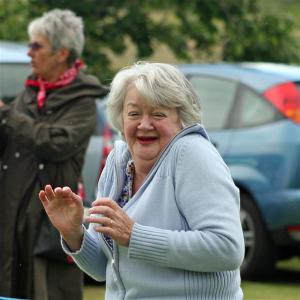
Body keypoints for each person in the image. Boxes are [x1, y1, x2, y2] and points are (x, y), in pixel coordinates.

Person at [39, 61, 245, 299]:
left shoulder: (192, 153)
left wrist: (135, 236)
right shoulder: (118, 161)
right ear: (120, 116)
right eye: (134, 113)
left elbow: (227, 249)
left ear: (181, 119)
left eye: (158, 114)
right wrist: (74, 233)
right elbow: (102, 270)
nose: (144, 125)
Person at [0, 9, 108, 300]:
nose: (29, 53)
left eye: (37, 45)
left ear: (61, 53)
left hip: (50, 221)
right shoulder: (30, 91)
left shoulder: (83, 101)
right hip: (13, 213)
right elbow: (13, 143)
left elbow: (55, 142)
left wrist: (6, 114)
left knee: (47, 291)